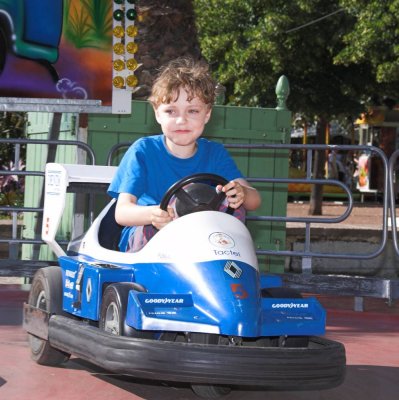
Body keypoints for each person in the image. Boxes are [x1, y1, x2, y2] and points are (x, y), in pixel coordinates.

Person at [107, 56, 261, 252]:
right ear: (157, 113)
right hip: (149, 244)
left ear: (207, 114)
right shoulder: (143, 151)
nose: (181, 120)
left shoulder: (215, 153)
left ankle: (225, 275)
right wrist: (154, 214)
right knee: (153, 225)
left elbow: (254, 201)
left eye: (193, 111)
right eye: (171, 111)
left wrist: (241, 192)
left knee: (234, 205)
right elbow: (122, 213)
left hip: (203, 243)